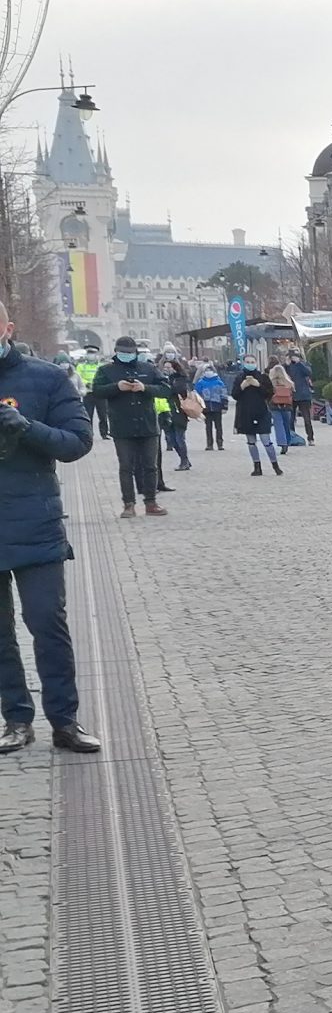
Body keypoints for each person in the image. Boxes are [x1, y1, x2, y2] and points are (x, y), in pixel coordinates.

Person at [0, 298, 100, 754]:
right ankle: (16, 720)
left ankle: (65, 720)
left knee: (46, 624)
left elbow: (78, 442)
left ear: (9, 327)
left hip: (35, 524)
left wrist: (25, 427)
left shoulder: (46, 377)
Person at [86, 338, 171, 520]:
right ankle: (129, 504)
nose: (126, 355)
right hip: (122, 426)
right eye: (122, 352)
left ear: (136, 352)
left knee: (150, 466)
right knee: (126, 466)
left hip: (147, 425)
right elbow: (97, 390)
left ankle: (151, 502)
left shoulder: (147, 368)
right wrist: (117, 387)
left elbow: (165, 388)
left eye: (129, 352)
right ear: (116, 352)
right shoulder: (106, 370)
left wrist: (145, 388)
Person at [233, 360, 282, 475]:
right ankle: (257, 466)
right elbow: (235, 395)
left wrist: (258, 385)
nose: (250, 363)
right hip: (245, 413)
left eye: (252, 361)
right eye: (248, 361)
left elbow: (269, 393)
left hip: (261, 412)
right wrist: (242, 387)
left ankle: (275, 465)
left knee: (266, 440)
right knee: (251, 441)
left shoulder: (263, 377)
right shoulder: (239, 378)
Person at [192, 361, 228, 453]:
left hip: (217, 407)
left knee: (218, 426)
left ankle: (220, 443)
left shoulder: (219, 382)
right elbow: (197, 395)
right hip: (206, 407)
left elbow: (223, 394)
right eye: (206, 370)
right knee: (208, 427)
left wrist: (224, 406)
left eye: (210, 370)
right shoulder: (200, 383)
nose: (208, 372)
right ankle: (209, 444)